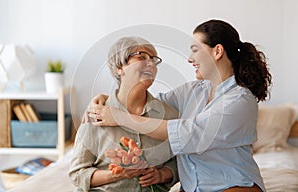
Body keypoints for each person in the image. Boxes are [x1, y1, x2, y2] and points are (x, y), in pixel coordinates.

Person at [85, 19, 272, 192]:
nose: (190, 58)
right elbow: (152, 106)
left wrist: (119, 117)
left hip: (233, 186)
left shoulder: (240, 101)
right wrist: (109, 99)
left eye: (195, 50)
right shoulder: (193, 91)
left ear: (217, 51)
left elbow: (187, 133)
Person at [69, 36, 180, 192]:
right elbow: (77, 174)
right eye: (141, 57)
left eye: (154, 60)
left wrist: (163, 174)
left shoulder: (169, 115)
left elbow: (180, 161)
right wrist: (117, 174)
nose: (151, 63)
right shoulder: (95, 114)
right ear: (119, 68)